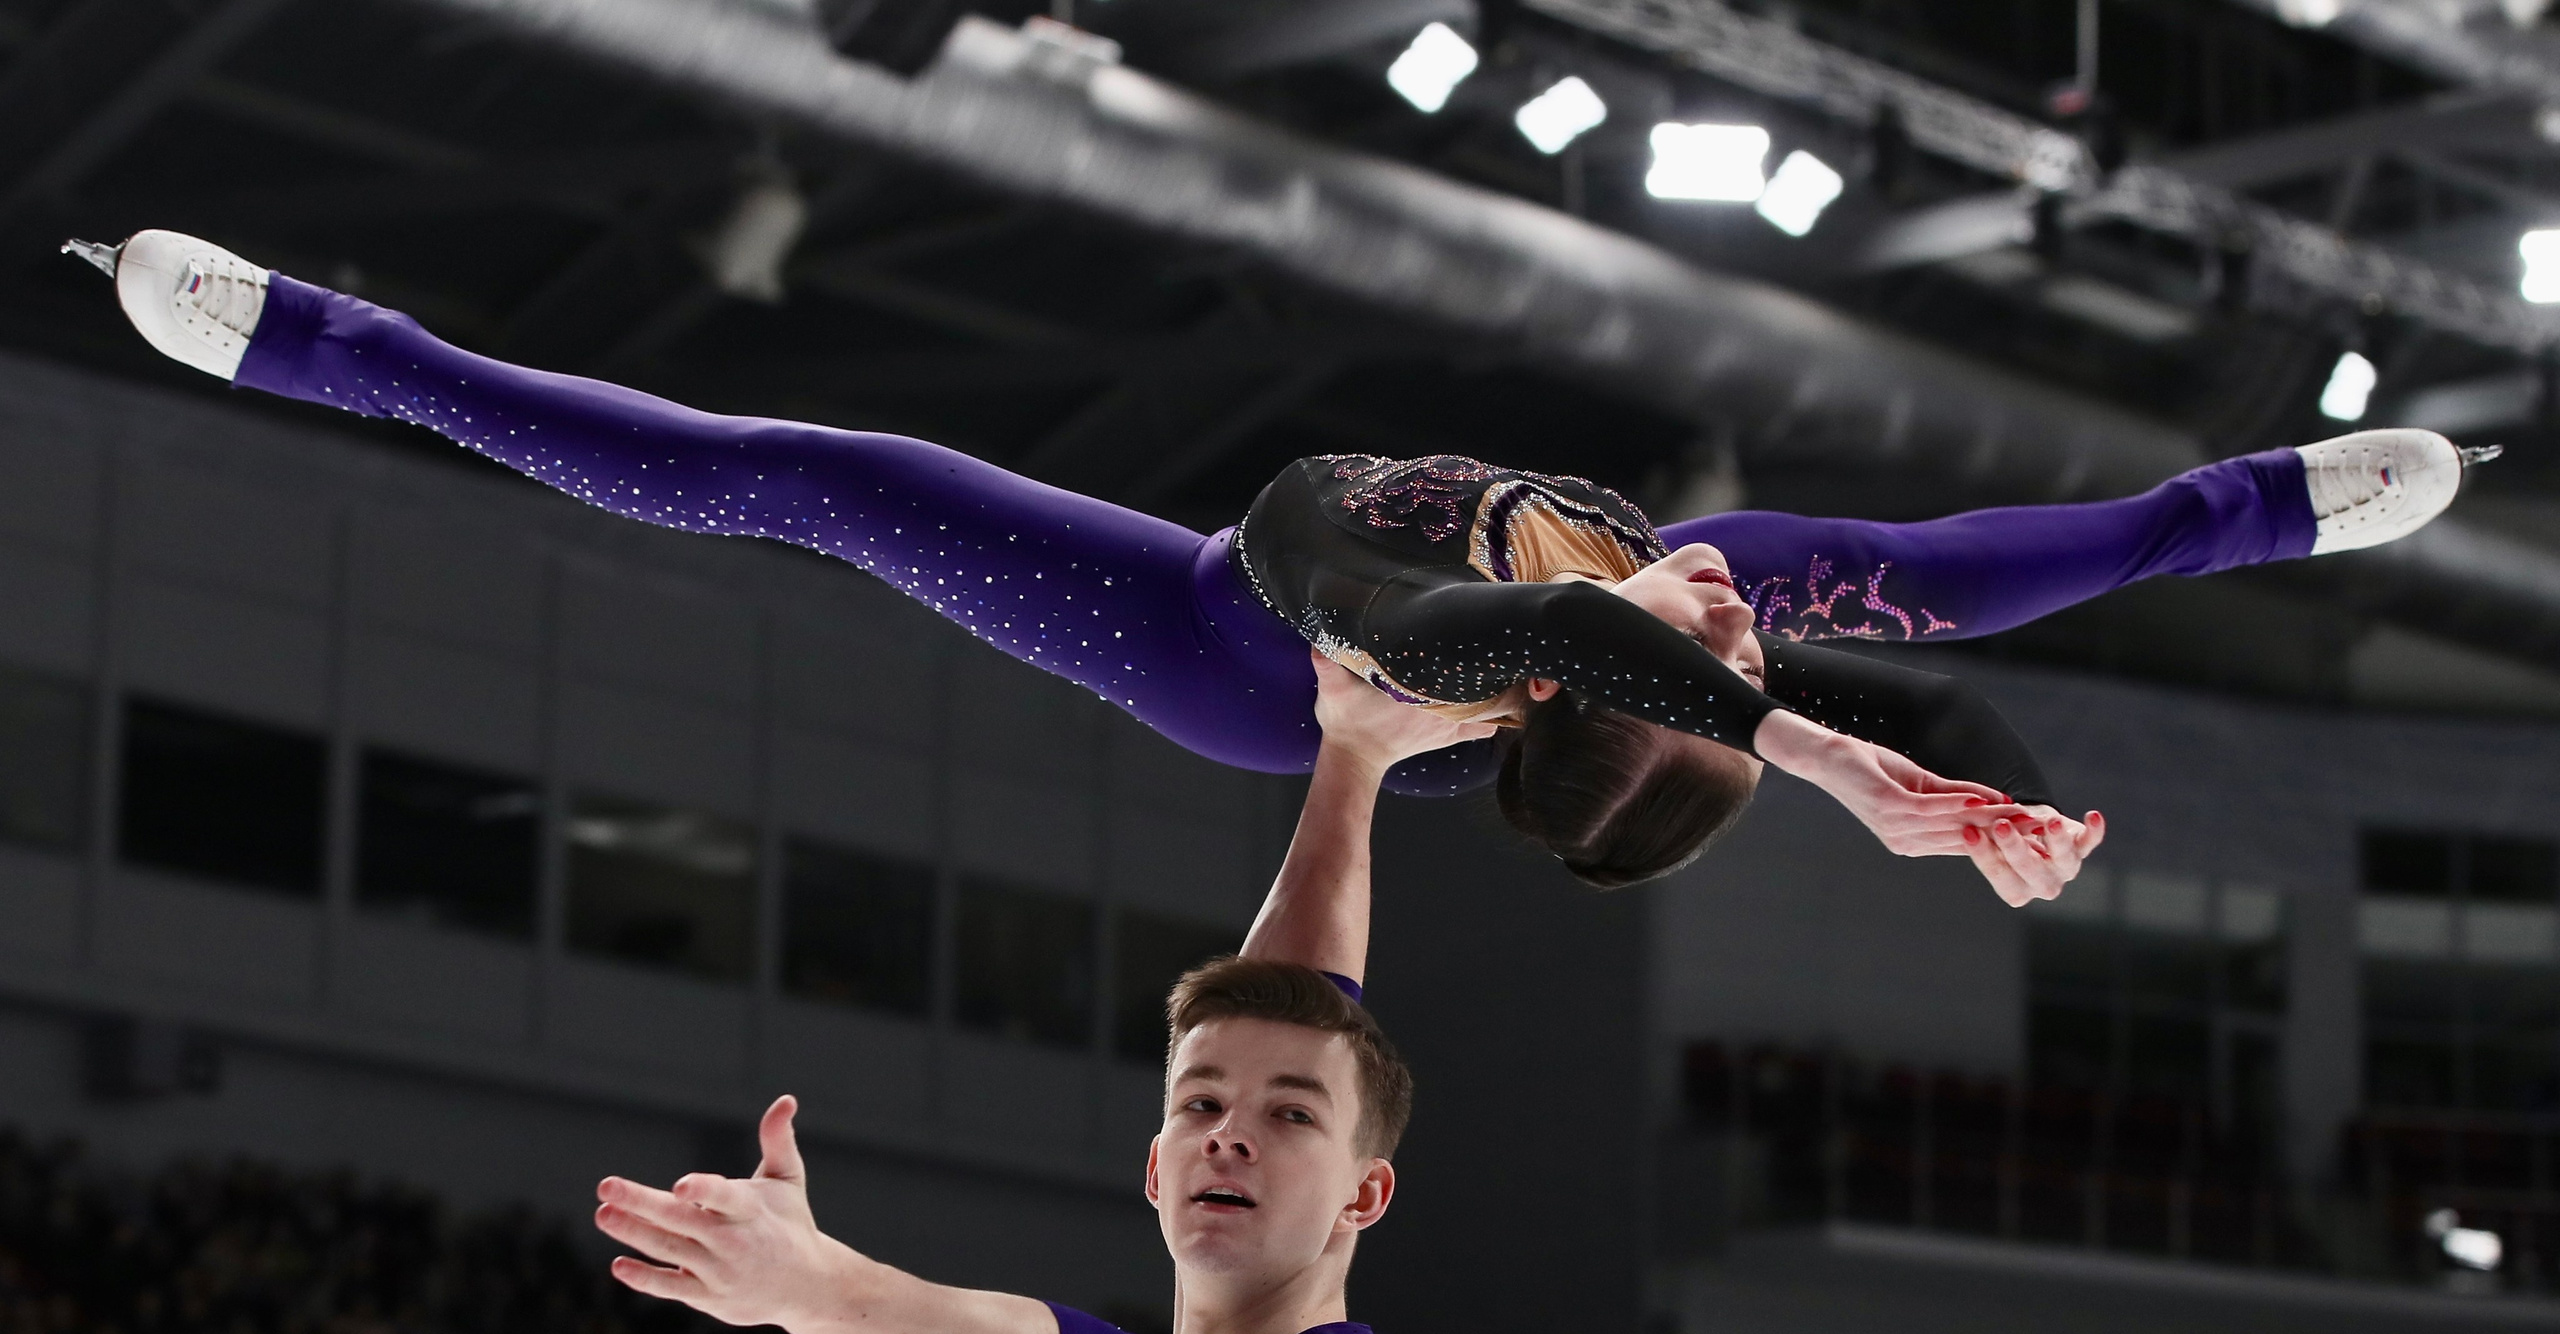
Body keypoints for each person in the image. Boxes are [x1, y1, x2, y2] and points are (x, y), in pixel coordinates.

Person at [76, 230, 2474, 894]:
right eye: (1734, 631)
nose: (1741, 596)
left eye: (1702, 650)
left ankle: (321, 346)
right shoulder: (1683, 590)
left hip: (1200, 629)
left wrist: (1822, 757)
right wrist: (1879, 772)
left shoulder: (1398, 635)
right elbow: (1983, 561)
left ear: (1564, 689)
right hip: (1512, 684)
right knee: (1941, 574)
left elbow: (1454, 597)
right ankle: (2289, 485)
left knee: (793, 470)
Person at [591, 660, 1507, 1334]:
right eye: (1199, 1106)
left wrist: (815, 1287)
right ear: (1156, 1167)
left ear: (1365, 1195)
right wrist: (1351, 754)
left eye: (1290, 1116)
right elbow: (1297, 1013)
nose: (1230, 1136)